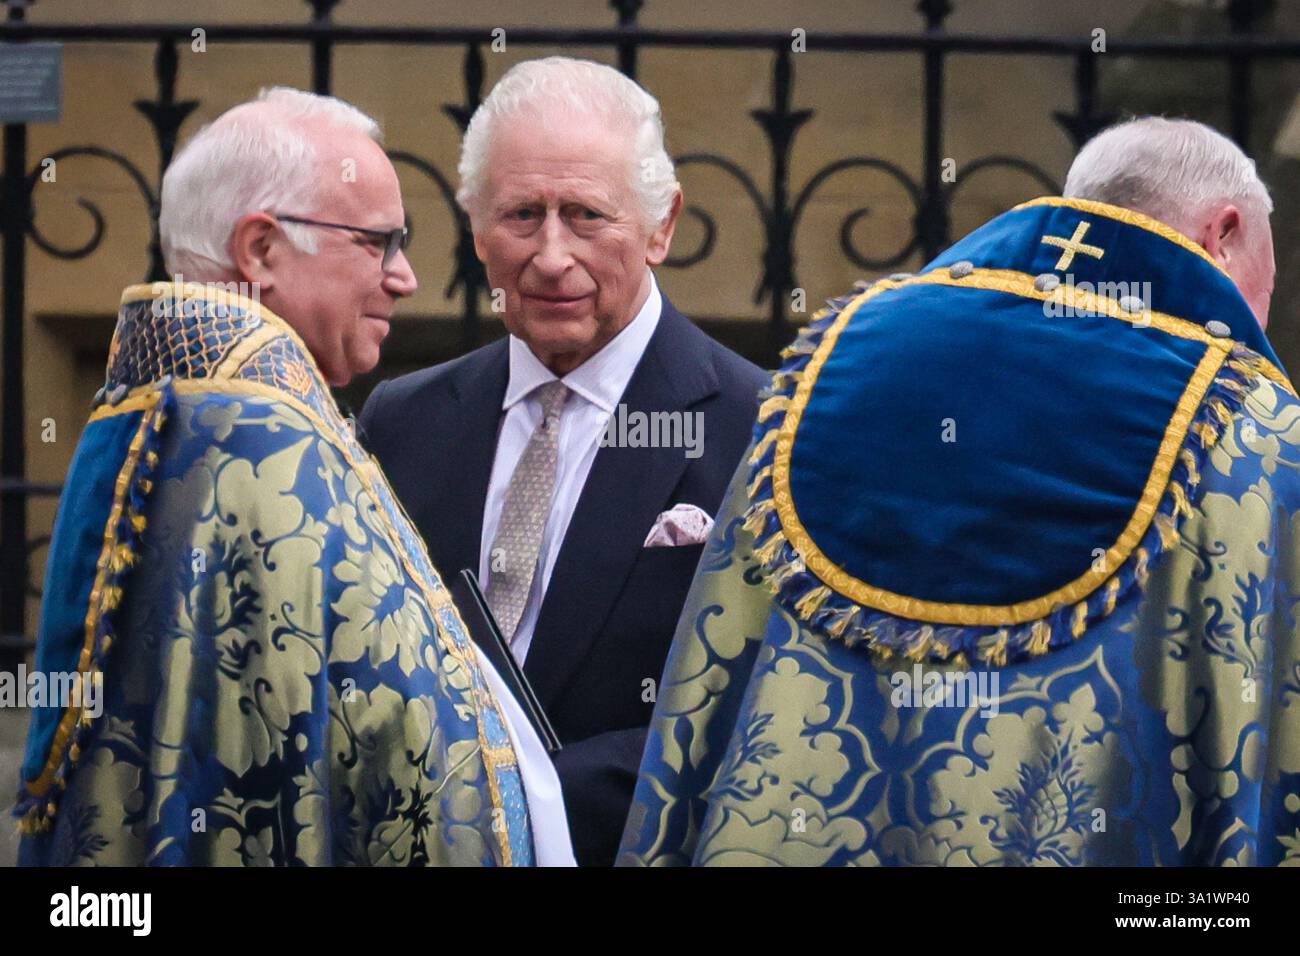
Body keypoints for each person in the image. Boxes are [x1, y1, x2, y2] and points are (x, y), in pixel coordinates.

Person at [619, 117, 1300, 866]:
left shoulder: (838, 358)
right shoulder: (1255, 429)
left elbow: (709, 681)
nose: (1251, 333)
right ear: (1223, 235)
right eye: (1260, 298)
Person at [15, 87, 572, 866]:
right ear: (262, 251)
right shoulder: (254, 442)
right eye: (377, 242)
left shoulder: (184, 413)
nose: (405, 276)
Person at [361, 57, 767, 865]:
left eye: (586, 215)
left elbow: (753, 714)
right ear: (475, 228)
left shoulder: (761, 432)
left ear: (662, 226)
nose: (551, 256)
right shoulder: (399, 423)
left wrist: (510, 805)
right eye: (520, 214)